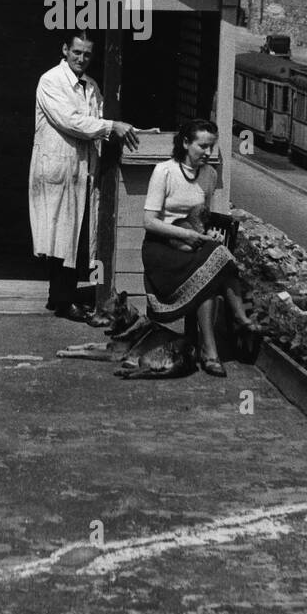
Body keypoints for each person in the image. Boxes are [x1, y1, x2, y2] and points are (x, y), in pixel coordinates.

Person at [29, 30, 138, 321]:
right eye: (76, 52)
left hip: (81, 168)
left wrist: (131, 131)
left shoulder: (90, 85)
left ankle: (60, 298)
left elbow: (101, 118)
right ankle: (63, 301)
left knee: (74, 235)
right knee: (61, 234)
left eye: (87, 54)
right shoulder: (50, 80)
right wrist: (112, 126)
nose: (81, 58)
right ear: (65, 49)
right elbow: (70, 121)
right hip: (57, 167)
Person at [141, 118, 253, 377]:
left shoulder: (209, 175)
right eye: (202, 146)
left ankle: (210, 350)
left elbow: (202, 217)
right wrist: (187, 234)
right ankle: (239, 319)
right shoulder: (164, 172)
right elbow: (148, 222)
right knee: (218, 260)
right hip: (162, 251)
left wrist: (206, 231)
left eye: (211, 147)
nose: (208, 153)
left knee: (212, 273)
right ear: (185, 143)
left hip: (190, 247)